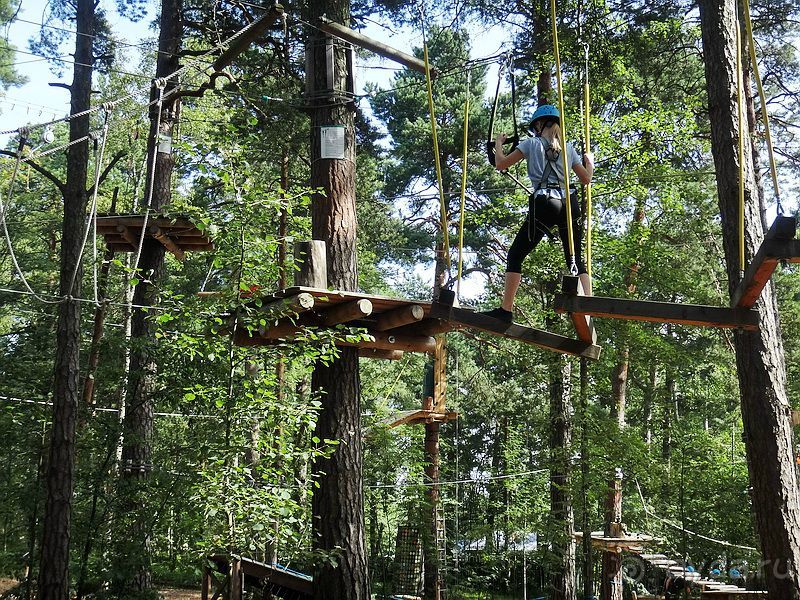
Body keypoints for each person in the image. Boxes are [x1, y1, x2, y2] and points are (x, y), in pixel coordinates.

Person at [483, 104, 594, 323]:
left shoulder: (531, 144)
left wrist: (498, 144)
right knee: (575, 259)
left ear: (540, 125)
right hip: (569, 203)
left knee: (515, 255)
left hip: (545, 202)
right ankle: (590, 308)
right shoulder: (568, 148)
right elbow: (586, 178)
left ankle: (506, 310)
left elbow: (501, 164)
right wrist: (589, 161)